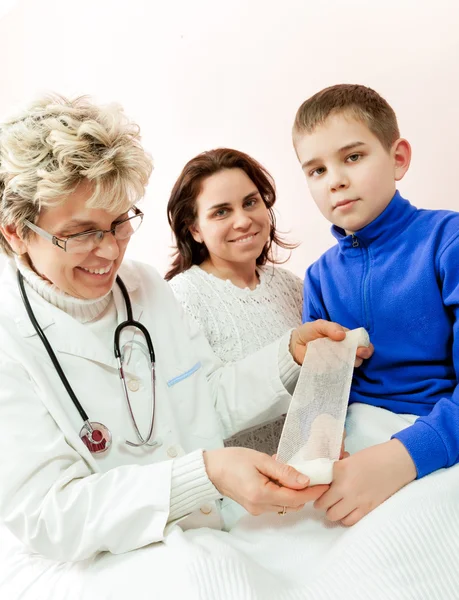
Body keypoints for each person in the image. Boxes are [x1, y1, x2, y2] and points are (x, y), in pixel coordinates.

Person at [0, 93, 372, 597]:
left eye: (119, 223)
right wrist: (205, 474)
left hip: (210, 530)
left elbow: (206, 397)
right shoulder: (10, 340)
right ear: (17, 233)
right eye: (82, 233)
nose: (109, 250)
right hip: (100, 563)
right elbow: (50, 515)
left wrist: (288, 357)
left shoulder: (145, 286)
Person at [292, 83, 459, 526]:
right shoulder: (319, 277)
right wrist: (319, 451)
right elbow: (322, 401)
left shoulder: (448, 242)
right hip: (353, 450)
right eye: (316, 170)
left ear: (398, 158)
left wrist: (399, 459)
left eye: (353, 157)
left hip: (436, 440)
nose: (336, 180)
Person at [166, 148, 303, 453]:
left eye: (250, 202)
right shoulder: (181, 298)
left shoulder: (291, 287)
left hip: (314, 473)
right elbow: (195, 415)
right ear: (195, 229)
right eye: (221, 211)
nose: (243, 221)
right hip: (240, 493)